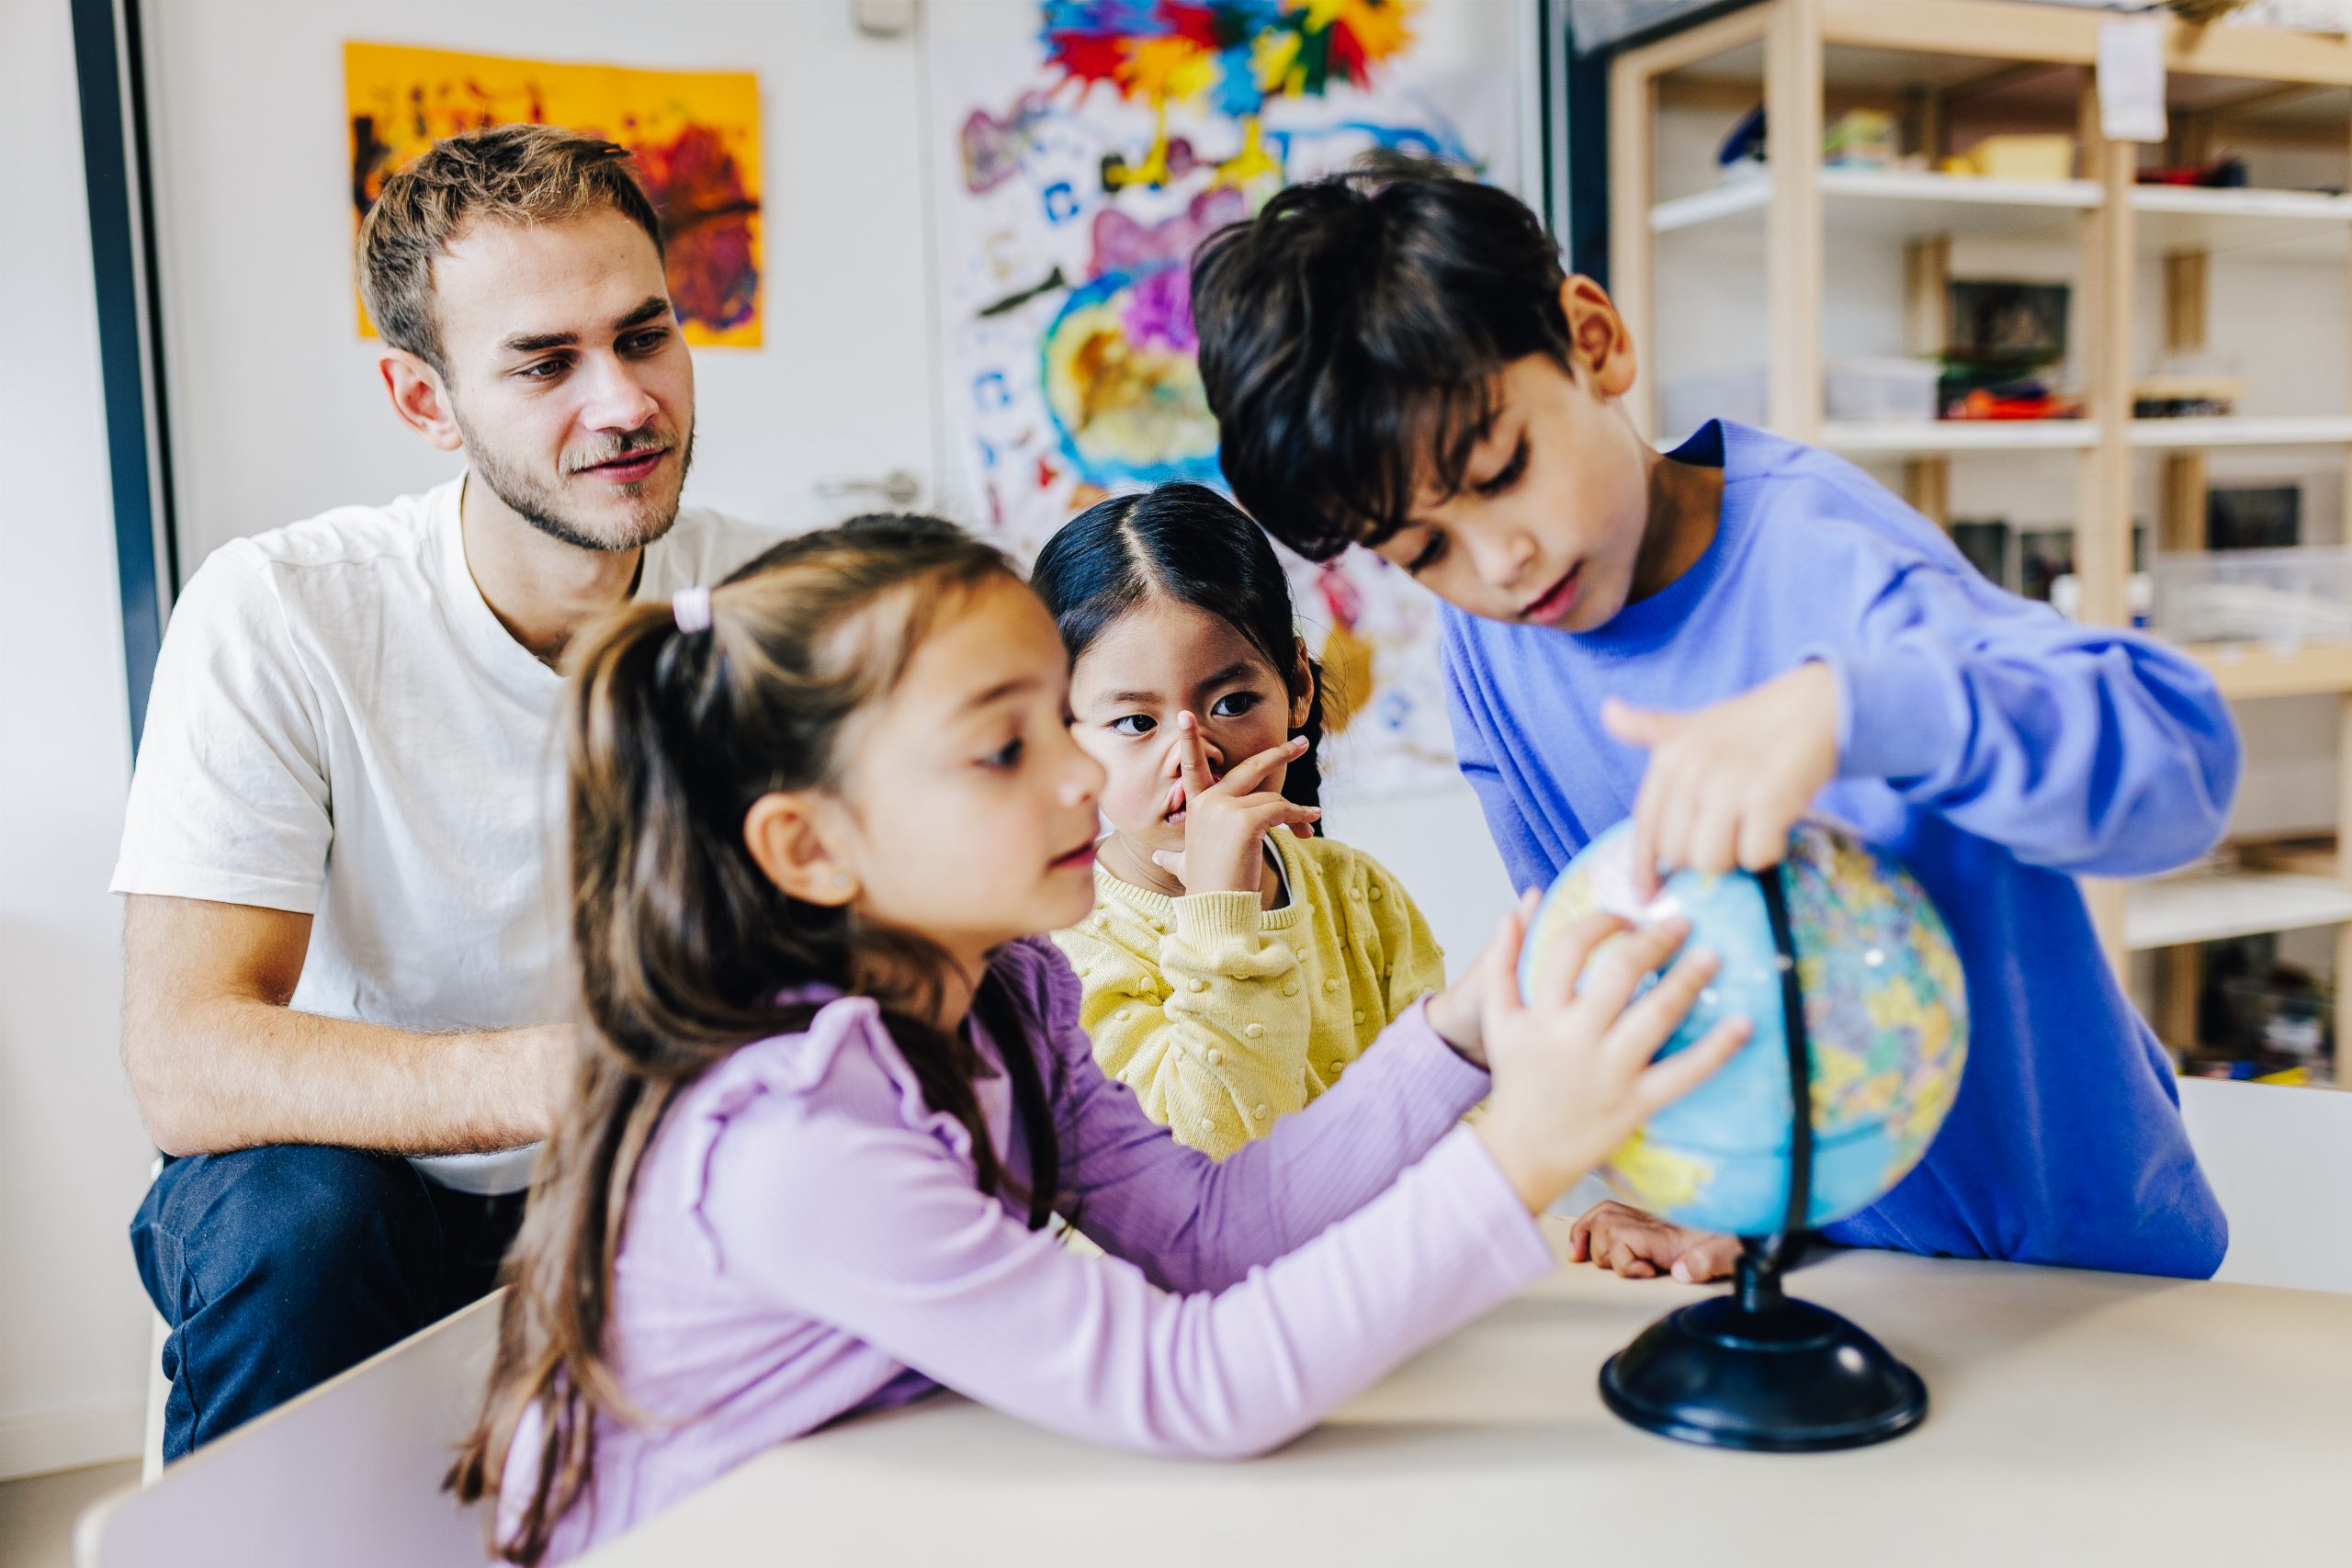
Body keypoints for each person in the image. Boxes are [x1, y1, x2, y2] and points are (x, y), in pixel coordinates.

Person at [447, 516, 1745, 1563]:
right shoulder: (794, 1133)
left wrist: (1470, 1029)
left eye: (1056, 725)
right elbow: (1190, 1381)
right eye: (1004, 748)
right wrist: (1521, 1149)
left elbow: (1208, 1235)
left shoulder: (1008, 993)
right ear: (811, 844)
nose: (1084, 777)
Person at [1188, 162, 2236, 1281]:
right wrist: (1711, 1194)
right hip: (1822, 1265)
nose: (1499, 563)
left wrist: (1852, 705)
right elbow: (1616, 962)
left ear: (1593, 341)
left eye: (1502, 472)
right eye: (1425, 550)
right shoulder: (1492, 646)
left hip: (2073, 1263)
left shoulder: (1828, 561)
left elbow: (2181, 765)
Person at [111, 124, 776, 1460]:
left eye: (644, 335)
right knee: (290, 1216)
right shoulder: (283, 609)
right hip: (379, 1201)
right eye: (545, 362)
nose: (626, 401)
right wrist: (566, 1072)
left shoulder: (780, 604)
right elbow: (185, 1057)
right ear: (425, 401)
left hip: (650, 1180)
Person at [1031, 484, 1449, 1157]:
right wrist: (1220, 911)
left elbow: (1451, 1114)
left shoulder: (1359, 895)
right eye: (1137, 722)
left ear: (1298, 690)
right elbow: (1207, 1175)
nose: (1193, 756)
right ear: (1065, 734)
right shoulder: (1061, 953)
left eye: (1231, 702)